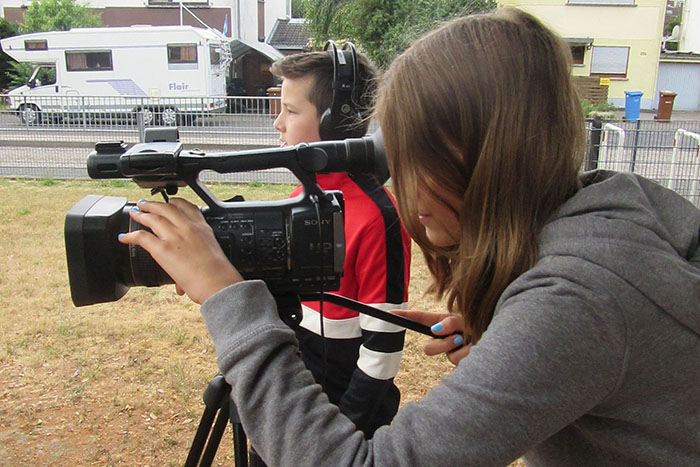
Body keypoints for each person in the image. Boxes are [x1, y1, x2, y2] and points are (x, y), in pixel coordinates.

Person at [118, 7, 700, 466]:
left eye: (407, 159)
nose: (399, 185)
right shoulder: (612, 214)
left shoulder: (579, 297)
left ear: (470, 154)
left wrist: (226, 297)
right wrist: (510, 338)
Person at [263, 48, 411, 438]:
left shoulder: (378, 216)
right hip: (289, 401)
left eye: (291, 111)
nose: (278, 123)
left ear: (334, 123)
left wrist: (339, 435)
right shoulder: (302, 195)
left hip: (340, 418)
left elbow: (382, 352)